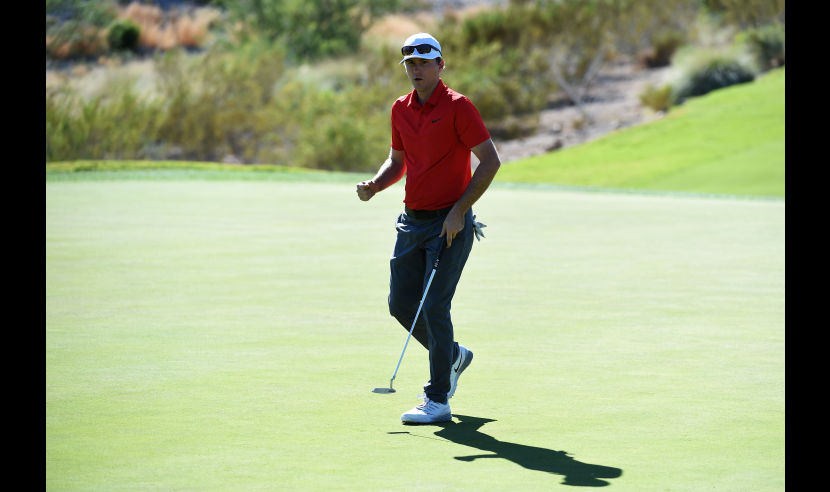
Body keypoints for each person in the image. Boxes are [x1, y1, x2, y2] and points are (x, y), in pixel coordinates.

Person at [356, 32, 501, 424]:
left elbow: (490, 162)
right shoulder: (400, 109)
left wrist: (459, 211)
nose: (416, 69)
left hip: (449, 225)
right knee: (401, 304)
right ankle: (452, 356)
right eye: (410, 64)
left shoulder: (459, 107)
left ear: (441, 65)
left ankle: (437, 398)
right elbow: (397, 161)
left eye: (424, 62)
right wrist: (376, 184)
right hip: (411, 221)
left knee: (435, 305)